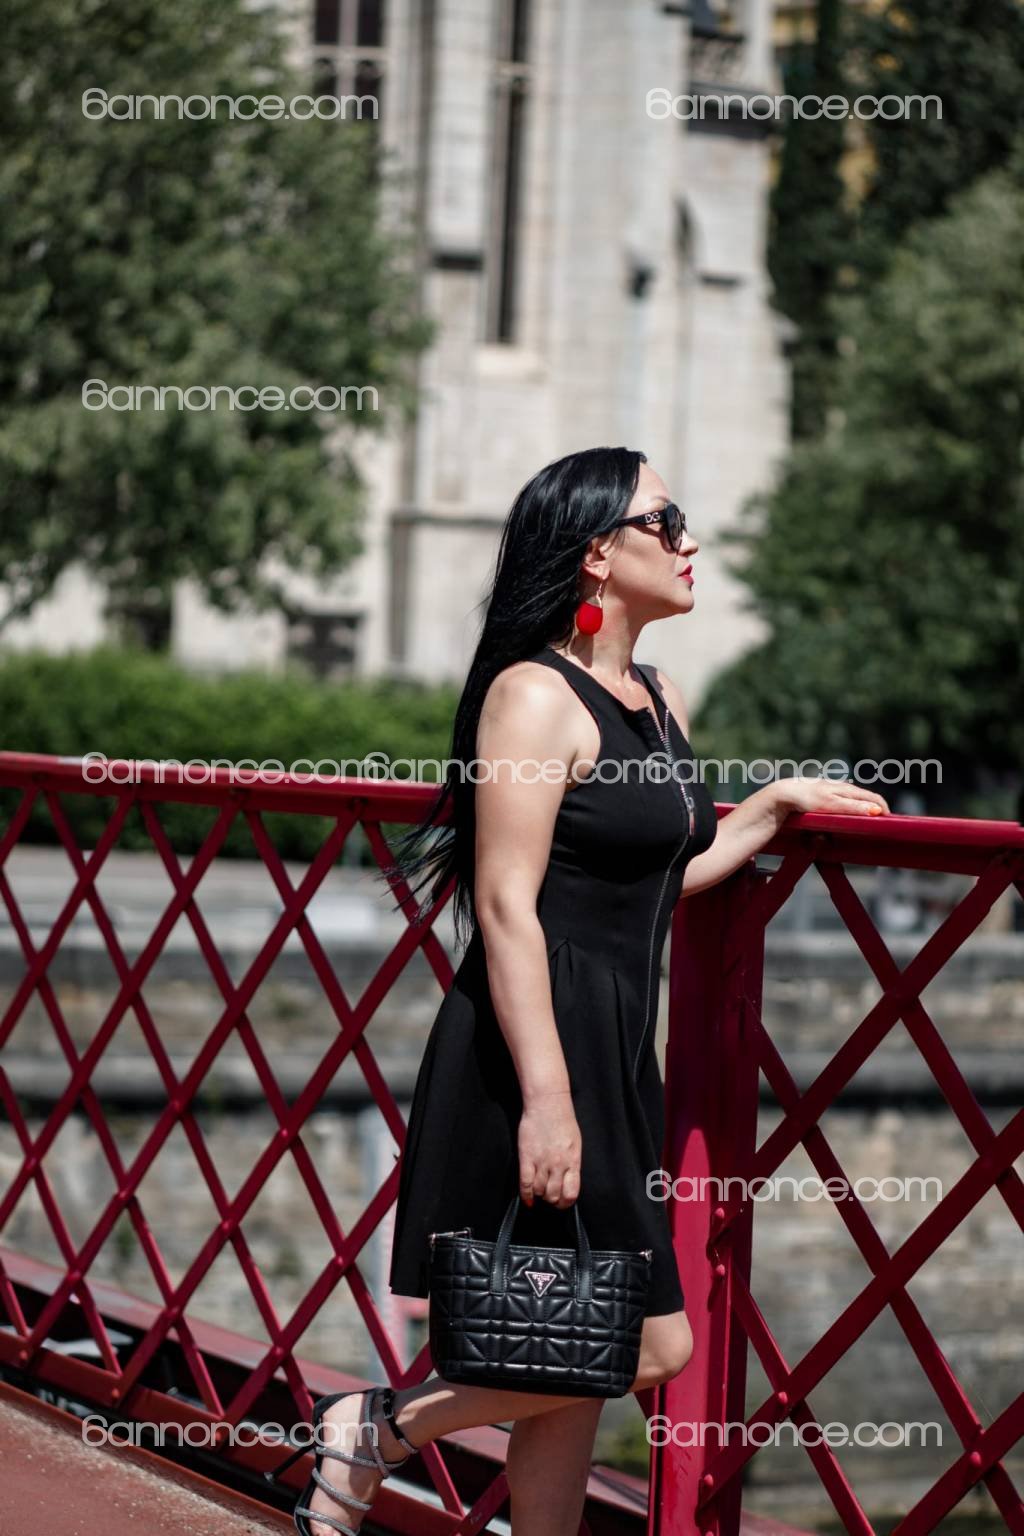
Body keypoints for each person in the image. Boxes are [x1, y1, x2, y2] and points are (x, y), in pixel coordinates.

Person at [288, 447, 889, 1536]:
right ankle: (374, 1427)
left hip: (615, 1050)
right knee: (651, 1343)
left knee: (565, 1347)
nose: (691, 542)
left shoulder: (657, 697)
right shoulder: (531, 696)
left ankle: (392, 1445)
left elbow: (657, 875)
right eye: (669, 520)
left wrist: (767, 809)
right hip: (535, 1047)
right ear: (598, 554)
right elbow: (505, 903)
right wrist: (549, 1099)